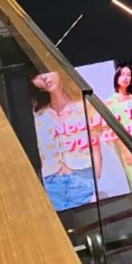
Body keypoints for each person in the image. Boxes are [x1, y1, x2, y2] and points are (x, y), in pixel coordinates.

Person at [29, 72, 102, 212]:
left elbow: (95, 149)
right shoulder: (37, 117)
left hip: (83, 180)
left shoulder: (84, 107)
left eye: (47, 71)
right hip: (51, 185)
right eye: (37, 75)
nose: (44, 77)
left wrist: (97, 186)